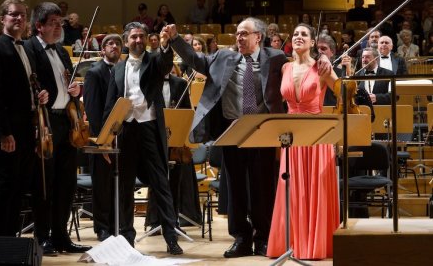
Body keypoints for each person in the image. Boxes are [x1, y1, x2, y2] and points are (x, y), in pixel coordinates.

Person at [168, 17, 332, 258]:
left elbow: (303, 63)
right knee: (235, 187)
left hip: (263, 130)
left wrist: (324, 57)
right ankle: (241, 238)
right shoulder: (224, 57)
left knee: (262, 185)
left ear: (259, 36)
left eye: (245, 34)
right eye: (237, 34)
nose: (239, 38)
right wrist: (175, 39)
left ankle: (263, 237)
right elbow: (196, 60)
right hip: (231, 129)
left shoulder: (275, 58)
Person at [102, 22, 183, 255]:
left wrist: (167, 47)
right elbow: (110, 105)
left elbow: (166, 63)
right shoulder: (117, 69)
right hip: (126, 130)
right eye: (134, 37)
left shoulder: (155, 61)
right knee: (125, 186)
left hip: (149, 128)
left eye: (142, 37)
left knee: (161, 184)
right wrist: (107, 139)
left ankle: (171, 237)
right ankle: (127, 237)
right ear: (126, 41)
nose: (138, 40)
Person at [267, 23, 339, 260]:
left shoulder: (321, 67)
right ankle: (293, 243)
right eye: (296, 34)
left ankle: (314, 246)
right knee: (292, 190)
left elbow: (343, 93)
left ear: (312, 42)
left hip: (316, 137)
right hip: (291, 137)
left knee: (314, 189)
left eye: (304, 34)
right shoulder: (285, 67)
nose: (299, 37)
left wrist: (331, 65)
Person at [24, 1, 90, 255]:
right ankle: (43, 237)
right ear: (39, 26)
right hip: (45, 122)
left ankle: (62, 237)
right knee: (45, 183)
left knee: (66, 183)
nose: (58, 27)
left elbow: (69, 83)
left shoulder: (62, 52)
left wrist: (75, 90)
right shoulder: (30, 49)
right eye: (53, 23)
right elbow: (28, 83)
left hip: (66, 121)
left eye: (60, 23)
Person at [0, 0, 48, 237]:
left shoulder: (26, 49)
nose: (19, 18)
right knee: (6, 188)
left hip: (26, 130)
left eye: (22, 14)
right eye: (14, 14)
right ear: (2, 19)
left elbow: (28, 85)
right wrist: (4, 133)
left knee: (19, 189)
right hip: (7, 132)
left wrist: (40, 94)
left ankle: (11, 243)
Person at [145, 73, 202, 232]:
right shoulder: (149, 81)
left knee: (175, 180)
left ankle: (174, 221)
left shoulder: (180, 84)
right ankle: (155, 221)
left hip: (174, 138)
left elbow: (186, 113)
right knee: (155, 180)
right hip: (154, 138)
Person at [83, 33, 123, 242]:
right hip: (102, 139)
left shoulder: (124, 70)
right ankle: (102, 228)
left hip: (121, 138)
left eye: (117, 43)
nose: (114, 46)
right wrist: (103, 141)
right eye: (110, 43)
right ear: (102, 50)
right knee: (102, 185)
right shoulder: (94, 73)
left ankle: (118, 225)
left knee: (118, 184)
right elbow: (92, 111)